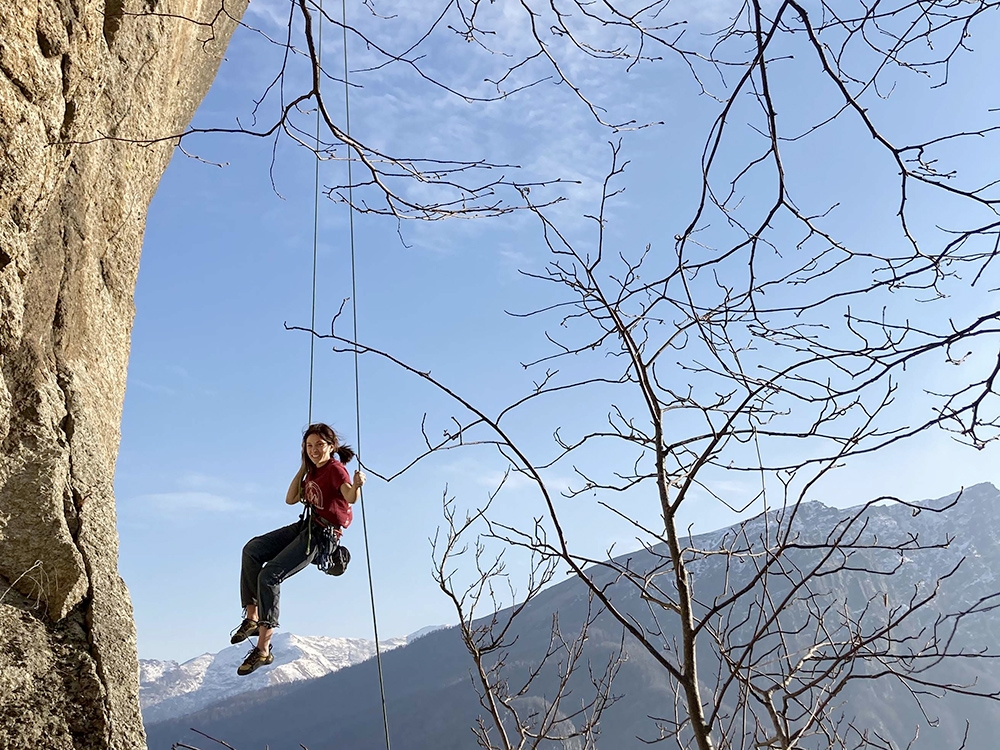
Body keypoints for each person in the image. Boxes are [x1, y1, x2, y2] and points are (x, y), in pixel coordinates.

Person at [231, 422, 365, 675]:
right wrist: (304, 468)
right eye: (309, 446)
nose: (314, 450)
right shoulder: (313, 471)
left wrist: (357, 484)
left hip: (322, 535)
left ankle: (263, 649)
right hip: (306, 526)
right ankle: (251, 616)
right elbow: (291, 498)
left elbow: (349, 497)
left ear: (331, 446)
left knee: (270, 575)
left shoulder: (336, 469)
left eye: (319, 445)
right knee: (252, 549)